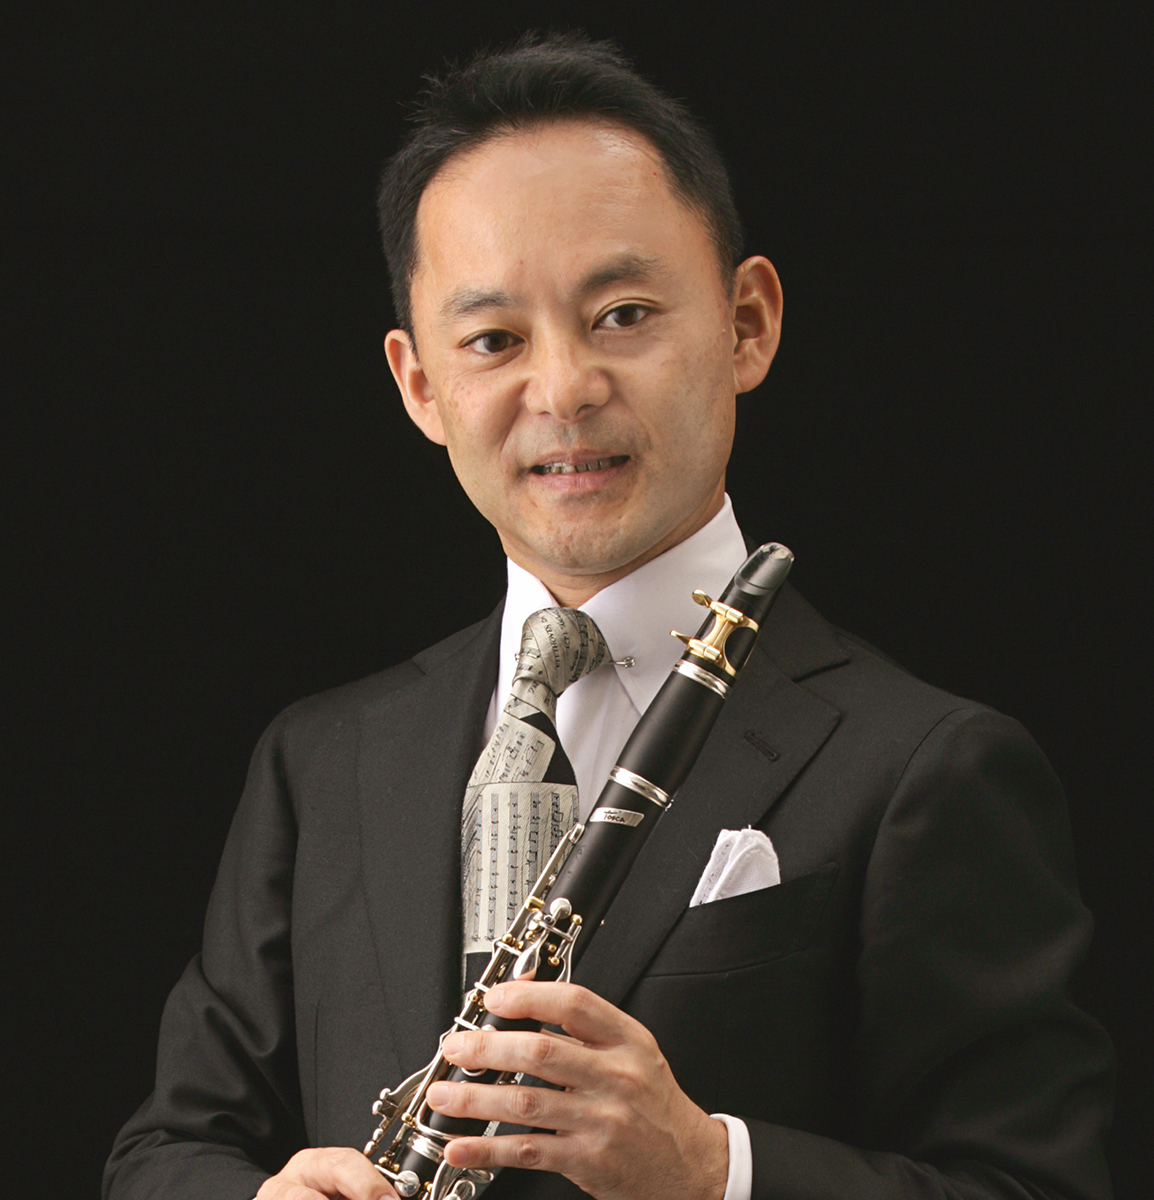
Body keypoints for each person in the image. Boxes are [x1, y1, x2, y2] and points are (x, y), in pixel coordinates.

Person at [104, 33, 1113, 1200]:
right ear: (419, 384)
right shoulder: (319, 760)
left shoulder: (929, 767)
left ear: (745, 323)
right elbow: (164, 1154)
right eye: (493, 341)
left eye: (623, 314)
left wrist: (711, 1170)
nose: (564, 389)